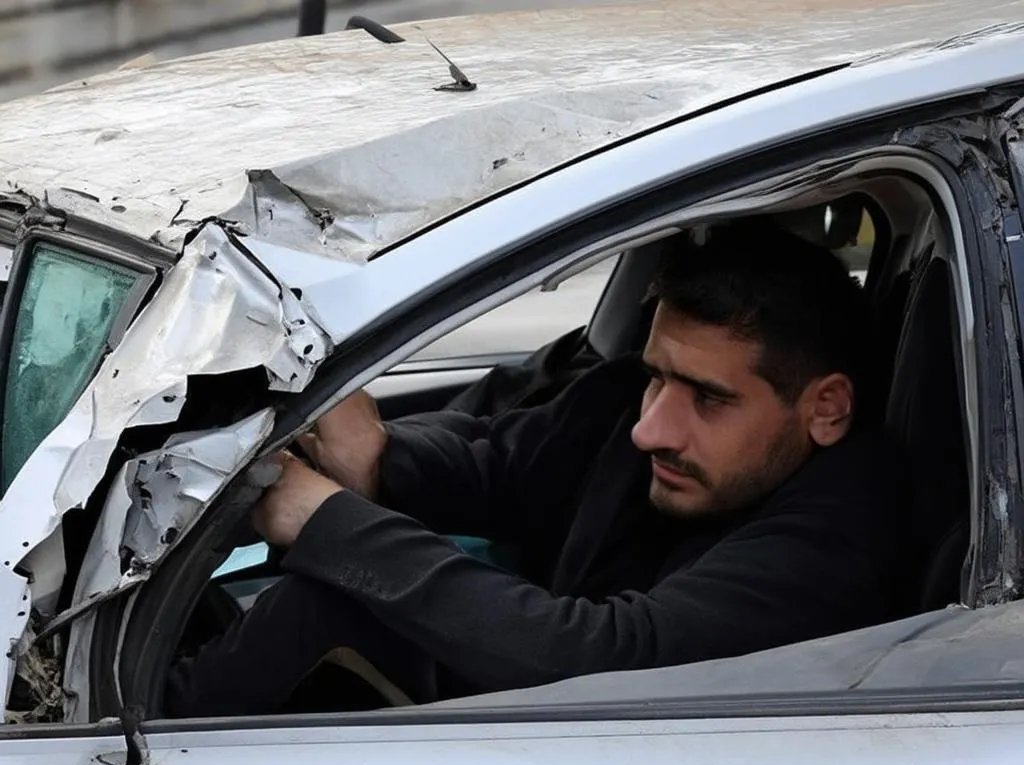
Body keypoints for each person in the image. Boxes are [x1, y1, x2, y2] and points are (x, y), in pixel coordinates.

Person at [164, 220, 914, 718]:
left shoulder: (842, 536)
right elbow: (496, 464)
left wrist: (321, 516)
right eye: (657, 376)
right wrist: (373, 458)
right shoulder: (634, 407)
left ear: (826, 409)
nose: (651, 427)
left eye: (709, 400)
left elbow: (608, 657)